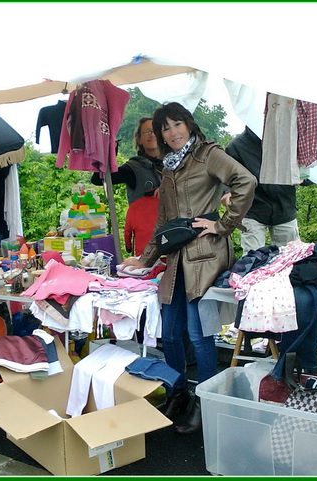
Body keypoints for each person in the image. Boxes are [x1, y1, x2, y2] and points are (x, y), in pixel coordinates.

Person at [120, 102, 256, 434]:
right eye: (164, 128)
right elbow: (164, 222)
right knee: (171, 331)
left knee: (198, 332)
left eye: (176, 124)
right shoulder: (169, 167)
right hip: (176, 259)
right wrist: (145, 259)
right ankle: (178, 392)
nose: (172, 132)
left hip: (206, 256)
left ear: (189, 124)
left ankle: (205, 402)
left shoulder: (208, 154)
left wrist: (222, 225)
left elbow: (245, 181)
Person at [222, 126, 300, 252]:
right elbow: (225, 175)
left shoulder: (288, 141)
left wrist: (303, 178)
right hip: (252, 209)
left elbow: (308, 171)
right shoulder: (236, 146)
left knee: (290, 258)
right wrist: (227, 191)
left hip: (284, 208)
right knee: (252, 259)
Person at [91, 117, 163, 204]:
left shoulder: (175, 164)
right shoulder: (132, 169)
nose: (152, 135)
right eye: (147, 132)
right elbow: (98, 179)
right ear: (139, 139)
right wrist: (110, 152)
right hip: (144, 216)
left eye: (156, 131)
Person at [123, 183, 159, 256]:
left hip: (142, 255)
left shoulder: (134, 206)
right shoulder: (163, 204)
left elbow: (127, 232)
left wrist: (128, 247)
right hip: (163, 252)